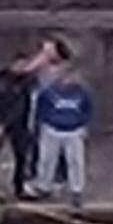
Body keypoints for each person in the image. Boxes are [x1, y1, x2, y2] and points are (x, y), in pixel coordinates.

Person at [30, 39, 95, 203]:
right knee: (46, 159)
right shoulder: (49, 92)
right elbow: (41, 107)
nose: (68, 79)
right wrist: (44, 123)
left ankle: (77, 190)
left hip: (74, 130)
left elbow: (88, 108)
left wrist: (83, 125)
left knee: (75, 161)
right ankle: (43, 186)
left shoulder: (82, 92)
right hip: (52, 128)